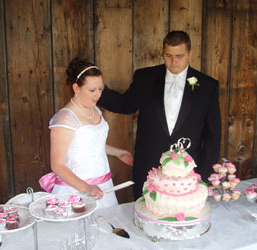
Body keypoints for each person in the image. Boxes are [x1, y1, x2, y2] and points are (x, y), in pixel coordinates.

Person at [98, 31, 221, 200]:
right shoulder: (144, 78)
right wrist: (96, 88)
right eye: (168, 55)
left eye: (179, 56)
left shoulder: (208, 86)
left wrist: (205, 176)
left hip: (188, 172)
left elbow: (213, 135)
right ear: (163, 52)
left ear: (190, 53)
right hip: (148, 166)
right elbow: (125, 104)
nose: (173, 61)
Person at [40, 58, 134, 209]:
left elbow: (92, 145)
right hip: (76, 189)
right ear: (76, 88)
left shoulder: (94, 110)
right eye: (92, 90)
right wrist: (86, 188)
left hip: (102, 184)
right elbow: (57, 165)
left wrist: (118, 153)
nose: (97, 95)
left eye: (100, 89)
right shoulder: (65, 119)